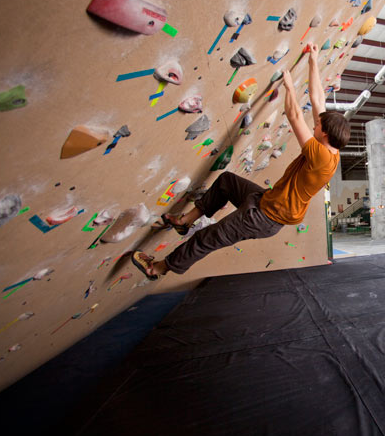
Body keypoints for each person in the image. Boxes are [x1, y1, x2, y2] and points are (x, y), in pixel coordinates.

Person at [132, 43, 350, 279]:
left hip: (264, 218)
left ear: (325, 133)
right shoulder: (330, 145)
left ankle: (158, 268)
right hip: (266, 201)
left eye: (318, 125)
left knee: (207, 238)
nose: (315, 124)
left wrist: (289, 87)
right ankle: (185, 221)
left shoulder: (321, 156)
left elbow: (295, 115)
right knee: (226, 181)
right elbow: (318, 100)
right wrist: (313, 60)